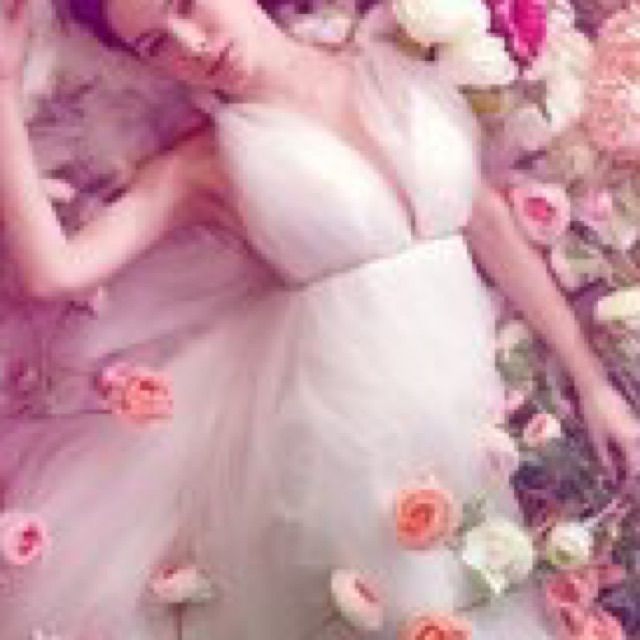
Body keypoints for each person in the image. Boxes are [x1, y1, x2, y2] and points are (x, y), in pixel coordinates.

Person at [0, 0, 637, 638]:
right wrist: (2, 89)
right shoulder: (206, 165)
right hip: (358, 444)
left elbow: (490, 222)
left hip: (489, 403)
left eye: (187, 5)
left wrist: (592, 383)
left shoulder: (396, 65)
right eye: (155, 46)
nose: (191, 44)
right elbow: (56, 273)